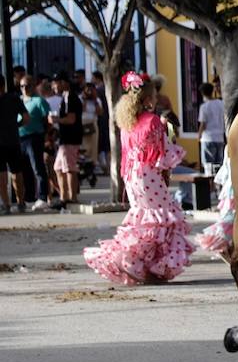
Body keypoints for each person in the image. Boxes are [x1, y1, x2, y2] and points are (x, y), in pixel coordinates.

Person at [83, 71, 196, 285]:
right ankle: (147, 267)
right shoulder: (152, 121)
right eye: (153, 95)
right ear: (147, 98)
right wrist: (166, 173)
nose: (156, 98)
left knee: (143, 220)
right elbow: (161, 156)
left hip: (132, 176)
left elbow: (129, 152)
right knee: (160, 219)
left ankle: (139, 264)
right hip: (149, 175)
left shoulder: (127, 123)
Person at [0, 75, 33, 214]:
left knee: (1, 175)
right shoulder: (14, 98)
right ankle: (20, 202)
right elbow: (26, 118)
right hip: (13, 141)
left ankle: (6, 205)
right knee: (16, 173)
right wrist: (16, 125)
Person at [17, 76, 51, 210]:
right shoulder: (19, 101)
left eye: (27, 86)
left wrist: (47, 137)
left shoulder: (39, 101)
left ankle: (43, 197)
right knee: (25, 170)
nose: (25, 89)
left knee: (38, 167)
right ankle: (29, 197)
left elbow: (47, 120)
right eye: (22, 86)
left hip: (34, 137)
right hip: (20, 138)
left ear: (33, 86)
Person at [51, 72, 83, 204]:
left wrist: (55, 119)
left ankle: (72, 198)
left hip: (71, 138)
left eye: (55, 83)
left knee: (69, 168)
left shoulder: (71, 97)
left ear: (63, 82)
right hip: (65, 139)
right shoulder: (65, 97)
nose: (53, 86)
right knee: (58, 168)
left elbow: (71, 119)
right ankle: (63, 197)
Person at [196, 81, 226, 170]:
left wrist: (199, 135)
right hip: (220, 137)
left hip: (208, 138)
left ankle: (210, 183)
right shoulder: (221, 104)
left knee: (208, 166)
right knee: (219, 165)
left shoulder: (204, 107)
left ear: (202, 93)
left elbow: (203, 124)